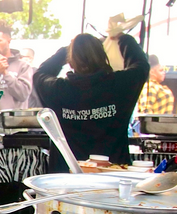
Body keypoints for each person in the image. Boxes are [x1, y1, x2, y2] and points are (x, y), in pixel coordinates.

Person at [33, 33, 149, 173]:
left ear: (70, 62)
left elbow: (40, 73)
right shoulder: (121, 85)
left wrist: (68, 50)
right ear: (103, 57)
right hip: (114, 176)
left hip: (65, 179)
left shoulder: (56, 89)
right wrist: (124, 40)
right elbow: (141, 66)